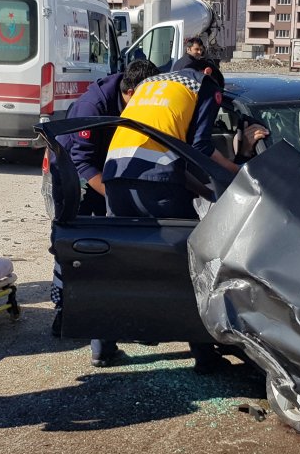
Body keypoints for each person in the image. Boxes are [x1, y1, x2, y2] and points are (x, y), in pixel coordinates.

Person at [102, 58, 266, 372]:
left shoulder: (152, 85)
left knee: (123, 261)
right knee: (191, 267)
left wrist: (206, 193)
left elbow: (169, 157)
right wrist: (241, 172)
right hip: (154, 181)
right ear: (209, 74)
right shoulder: (203, 85)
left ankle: (102, 346)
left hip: (115, 175)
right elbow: (201, 148)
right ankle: (204, 356)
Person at [48, 60, 161, 365]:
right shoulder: (93, 106)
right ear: (130, 93)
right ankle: (65, 314)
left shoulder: (135, 101)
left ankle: (114, 328)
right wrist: (116, 197)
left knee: (111, 251)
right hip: (75, 177)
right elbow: (82, 164)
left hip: (107, 171)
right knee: (76, 247)